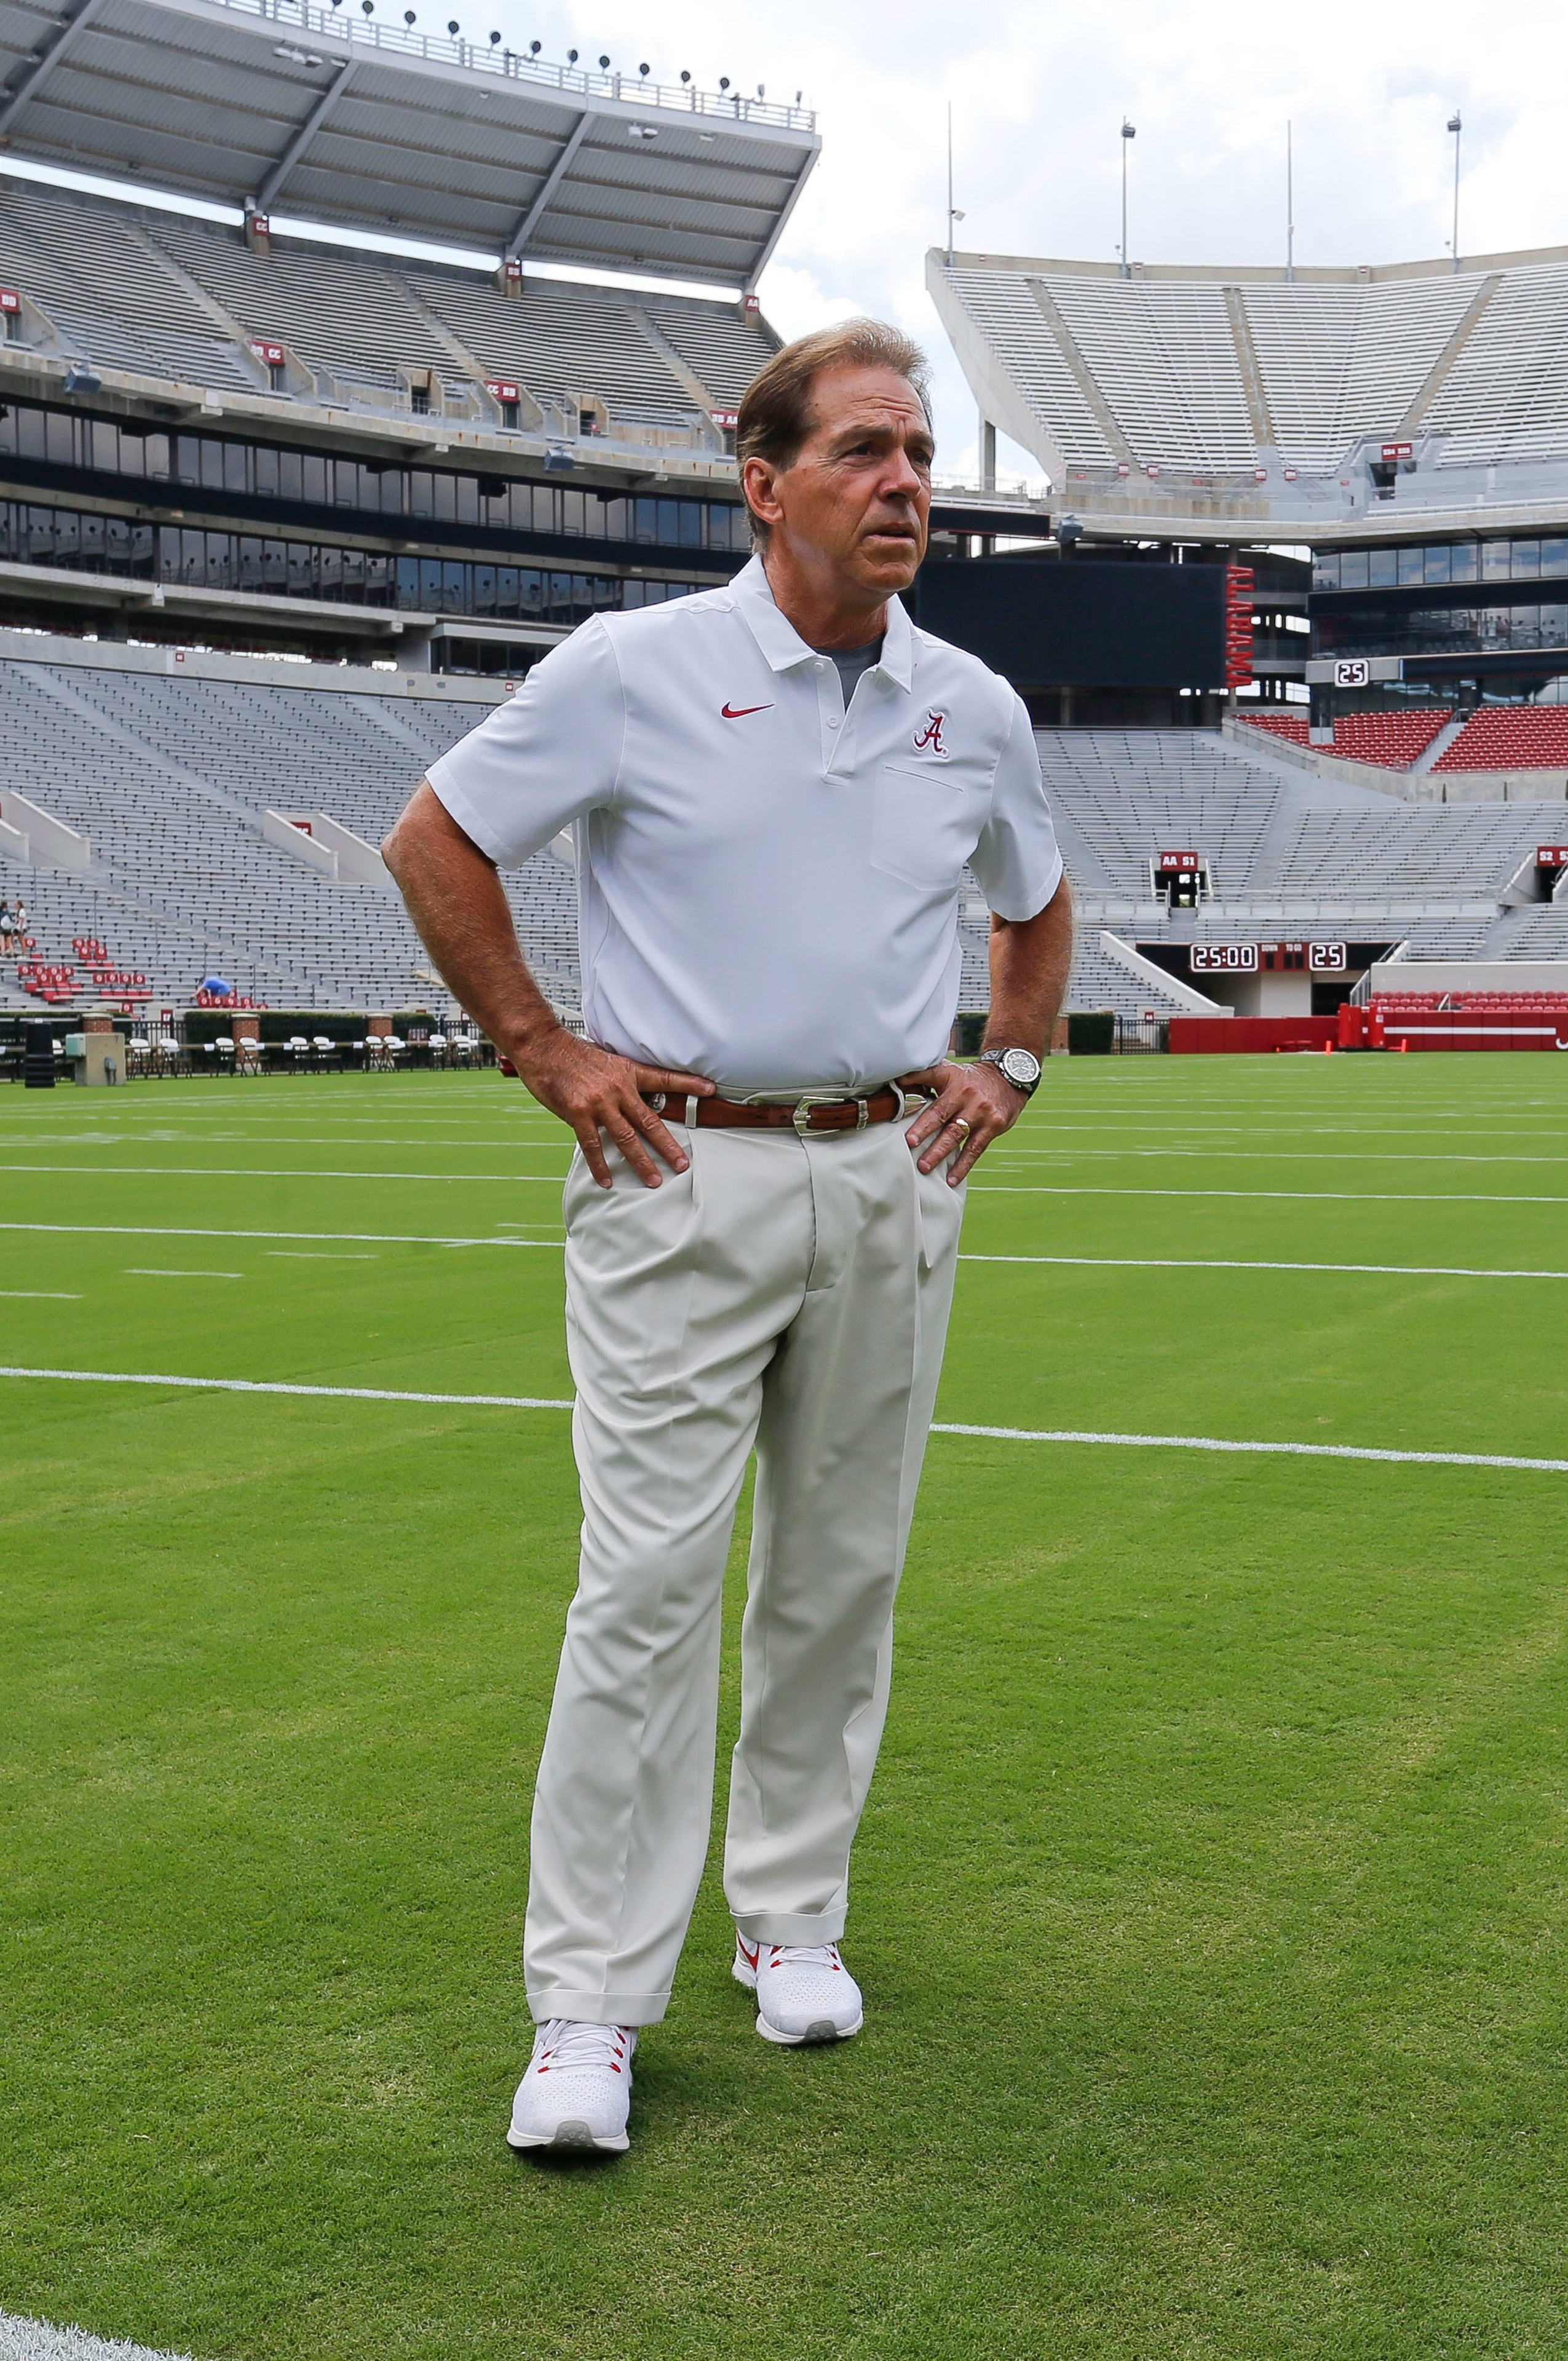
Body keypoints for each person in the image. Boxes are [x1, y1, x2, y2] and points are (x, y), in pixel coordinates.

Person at [382, 318, 1073, 2157]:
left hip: (882, 1176)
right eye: (862, 452)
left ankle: (790, 1924)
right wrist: (539, 1046)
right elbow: (436, 841)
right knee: (645, 1589)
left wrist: (1006, 1063)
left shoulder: (971, 707)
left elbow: (1040, 897)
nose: (906, 483)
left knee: (842, 1571)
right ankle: (590, 2010)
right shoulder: (635, 670)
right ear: (765, 486)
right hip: (678, 1172)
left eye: (918, 452)